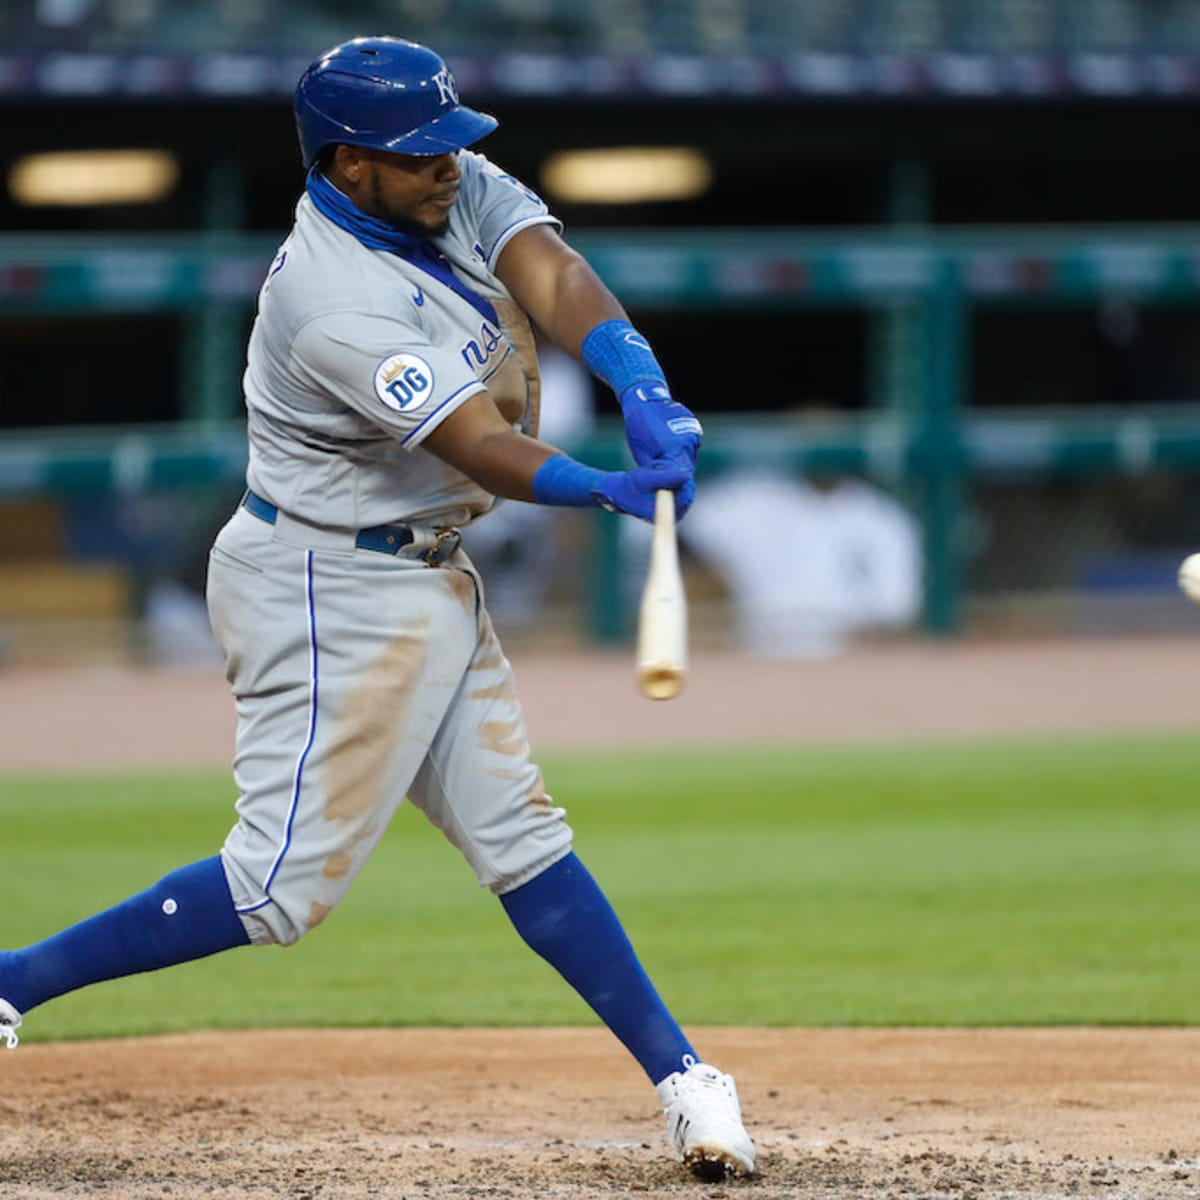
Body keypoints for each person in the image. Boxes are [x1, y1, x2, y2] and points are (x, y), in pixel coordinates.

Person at [0, 36, 755, 1181]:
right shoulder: (328, 298)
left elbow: (547, 267)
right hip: (323, 585)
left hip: (422, 568)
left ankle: (685, 1078)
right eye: (420, 157)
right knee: (275, 890)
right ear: (349, 165)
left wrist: (639, 380)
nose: (450, 168)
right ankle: (11, 983)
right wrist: (603, 486)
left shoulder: (433, 184)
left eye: (453, 147)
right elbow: (479, 445)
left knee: (523, 841)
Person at [683, 464, 921, 659]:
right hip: (756, 659)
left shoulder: (883, 517)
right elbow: (681, 526)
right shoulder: (756, 495)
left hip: (848, 664)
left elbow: (896, 617)